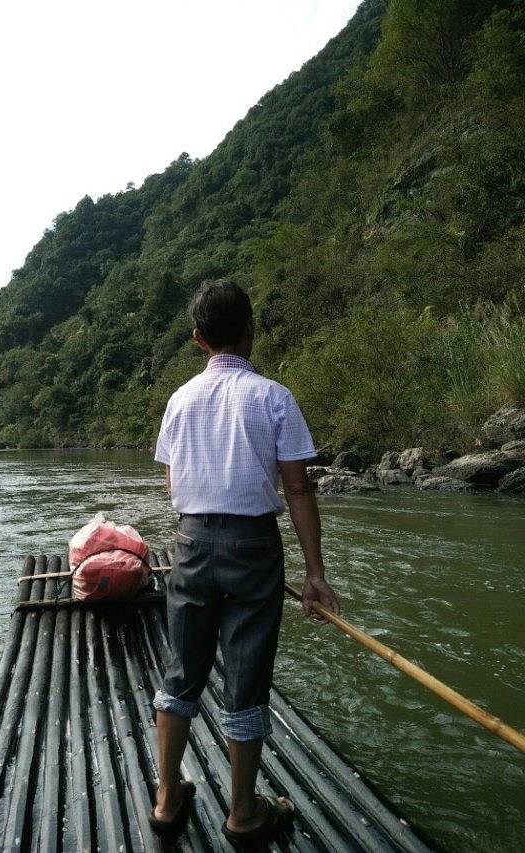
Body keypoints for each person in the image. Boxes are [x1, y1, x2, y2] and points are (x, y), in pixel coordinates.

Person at [149, 278, 340, 843]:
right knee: (246, 679)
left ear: (197, 339)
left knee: (182, 673)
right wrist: (315, 574)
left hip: (191, 543)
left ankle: (165, 799)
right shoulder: (273, 397)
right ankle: (243, 811)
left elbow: (172, 484)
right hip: (254, 548)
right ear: (251, 328)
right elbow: (299, 489)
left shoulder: (179, 400)